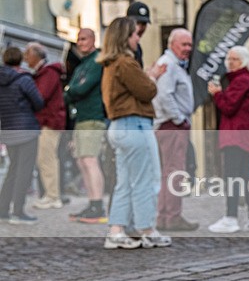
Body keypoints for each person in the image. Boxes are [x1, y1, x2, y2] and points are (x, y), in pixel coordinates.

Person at [98, 16, 171, 250]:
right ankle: (146, 229)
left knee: (125, 182)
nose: (137, 38)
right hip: (134, 124)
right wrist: (151, 76)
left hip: (119, 126)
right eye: (134, 34)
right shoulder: (126, 63)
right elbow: (147, 90)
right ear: (125, 38)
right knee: (146, 180)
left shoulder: (110, 65)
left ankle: (116, 230)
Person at [207, 46, 249, 234]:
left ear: (244, 61)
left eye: (235, 59)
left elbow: (228, 106)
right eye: (229, 59)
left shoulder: (241, 80)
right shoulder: (244, 79)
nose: (230, 62)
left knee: (232, 177)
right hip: (243, 135)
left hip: (235, 135)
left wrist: (216, 93)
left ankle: (231, 217)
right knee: (244, 177)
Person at [153, 28, 199, 232]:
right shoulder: (169, 64)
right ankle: (172, 216)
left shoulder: (173, 64)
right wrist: (179, 119)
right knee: (175, 173)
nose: (188, 48)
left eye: (190, 44)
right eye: (184, 44)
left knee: (168, 173)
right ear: (172, 44)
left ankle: (165, 216)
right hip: (172, 126)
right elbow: (164, 95)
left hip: (170, 124)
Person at [64, 28, 107, 223]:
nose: (80, 43)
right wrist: (72, 90)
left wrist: (72, 90)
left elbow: (81, 87)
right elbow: (70, 90)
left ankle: (98, 205)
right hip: (81, 118)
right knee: (82, 161)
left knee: (90, 160)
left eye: (83, 39)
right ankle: (91, 202)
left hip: (92, 116)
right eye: (78, 40)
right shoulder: (82, 64)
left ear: (92, 40)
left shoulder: (97, 60)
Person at [0, 47, 44, 224]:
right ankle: (18, 212)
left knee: (12, 169)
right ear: (20, 60)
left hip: (8, 131)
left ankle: (2, 209)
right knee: (24, 171)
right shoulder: (24, 79)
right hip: (26, 129)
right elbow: (38, 102)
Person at [24, 42, 66, 210]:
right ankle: (50, 195)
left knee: (47, 158)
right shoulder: (44, 73)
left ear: (36, 56)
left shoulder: (48, 73)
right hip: (46, 122)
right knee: (44, 159)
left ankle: (53, 197)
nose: (25, 57)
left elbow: (40, 97)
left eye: (27, 54)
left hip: (49, 122)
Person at [126, 1, 151, 67]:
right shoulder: (120, 47)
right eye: (137, 23)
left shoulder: (138, 48)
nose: (140, 27)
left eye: (143, 24)